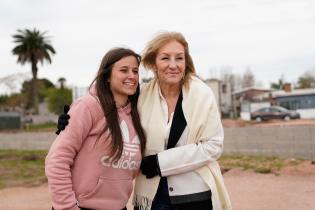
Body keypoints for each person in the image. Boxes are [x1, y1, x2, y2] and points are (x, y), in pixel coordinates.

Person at [57, 32, 232, 210]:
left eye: (179, 58)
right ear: (153, 63)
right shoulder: (141, 95)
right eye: (165, 58)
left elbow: (214, 145)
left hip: (194, 194)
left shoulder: (202, 94)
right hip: (152, 196)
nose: (173, 65)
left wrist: (159, 163)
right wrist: (73, 117)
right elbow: (113, 101)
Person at [45, 48, 146, 210]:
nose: (132, 76)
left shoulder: (137, 114)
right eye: (123, 70)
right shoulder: (88, 106)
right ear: (107, 76)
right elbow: (57, 160)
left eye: (135, 71)